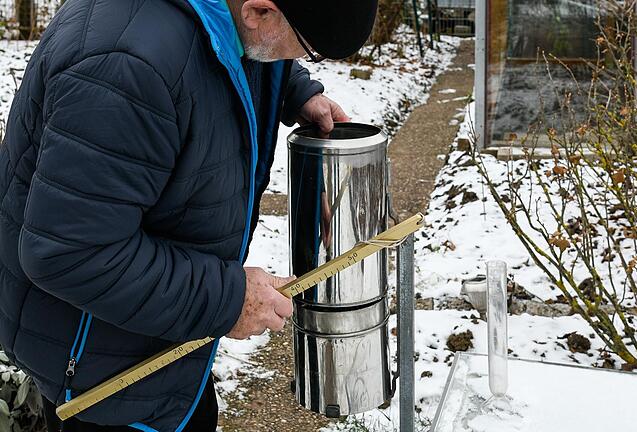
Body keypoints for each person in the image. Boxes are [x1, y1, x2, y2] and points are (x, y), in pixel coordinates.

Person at [0, 0, 378, 430]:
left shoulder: (226, 17)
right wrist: (229, 299)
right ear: (259, 11)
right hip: (101, 370)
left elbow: (229, 50)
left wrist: (297, 92)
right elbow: (71, 254)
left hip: (158, 340)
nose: (296, 59)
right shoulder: (125, 69)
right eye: (306, 50)